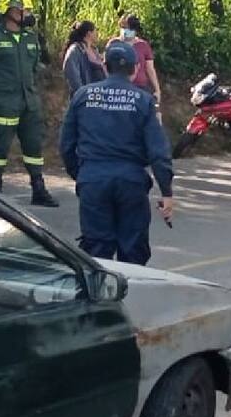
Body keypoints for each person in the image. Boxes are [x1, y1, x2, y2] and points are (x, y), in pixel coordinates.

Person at [59, 42, 174, 265]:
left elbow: (66, 144)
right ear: (136, 69)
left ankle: (99, 298)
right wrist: (166, 191)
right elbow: (158, 151)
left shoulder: (83, 96)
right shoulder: (143, 101)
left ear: (104, 65)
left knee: (96, 252)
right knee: (133, 252)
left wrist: (82, 174)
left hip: (93, 180)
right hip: (130, 182)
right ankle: (129, 296)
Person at [0, 0, 57, 206]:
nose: (26, 14)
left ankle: (38, 189)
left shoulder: (30, 38)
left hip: (29, 102)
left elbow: (34, 67)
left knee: (33, 147)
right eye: (23, 10)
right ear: (8, 11)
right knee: (0, 148)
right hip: (4, 102)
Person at [117, 13, 163, 108]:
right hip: (120, 88)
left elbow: (150, 69)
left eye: (127, 28)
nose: (124, 31)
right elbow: (105, 67)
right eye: (122, 27)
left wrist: (157, 90)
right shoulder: (114, 43)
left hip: (140, 87)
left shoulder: (143, 45)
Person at [62, 20, 106, 98]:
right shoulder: (75, 50)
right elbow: (72, 74)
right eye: (95, 31)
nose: (97, 34)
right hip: (84, 98)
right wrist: (82, 94)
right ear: (89, 33)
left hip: (98, 98)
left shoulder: (94, 50)